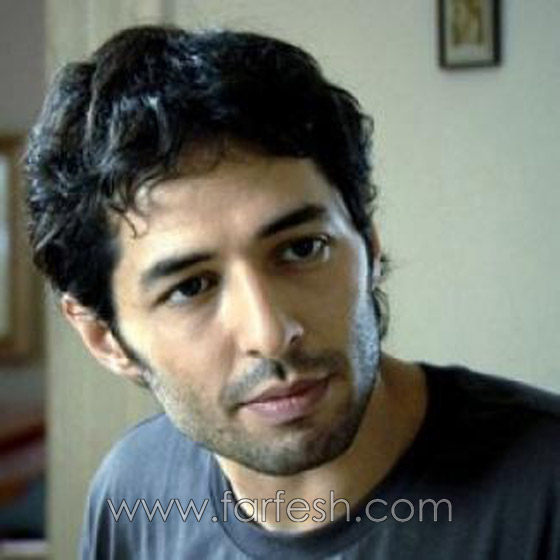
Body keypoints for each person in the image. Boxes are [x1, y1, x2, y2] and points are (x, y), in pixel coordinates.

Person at [24, 25, 559, 559]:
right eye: (191, 287)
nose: (271, 333)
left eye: (303, 249)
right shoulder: (133, 492)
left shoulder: (544, 488)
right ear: (105, 339)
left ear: (369, 247)